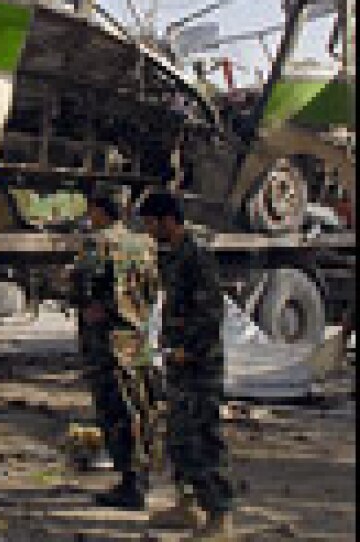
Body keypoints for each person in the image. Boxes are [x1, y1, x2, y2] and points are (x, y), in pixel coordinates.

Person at [135, 191, 234, 539]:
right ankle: (188, 505)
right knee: (179, 438)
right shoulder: (175, 255)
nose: (149, 231)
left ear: (168, 220)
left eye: (151, 223)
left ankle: (219, 516)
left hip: (199, 366)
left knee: (204, 438)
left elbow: (211, 312)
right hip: (179, 363)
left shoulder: (197, 255)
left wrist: (189, 350)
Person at [69, 190, 158, 510]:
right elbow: (153, 288)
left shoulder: (98, 243)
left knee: (115, 410)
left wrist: (90, 305)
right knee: (140, 405)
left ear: (99, 210)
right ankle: (142, 475)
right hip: (137, 336)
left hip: (108, 340)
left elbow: (79, 285)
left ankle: (130, 484)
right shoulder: (145, 244)